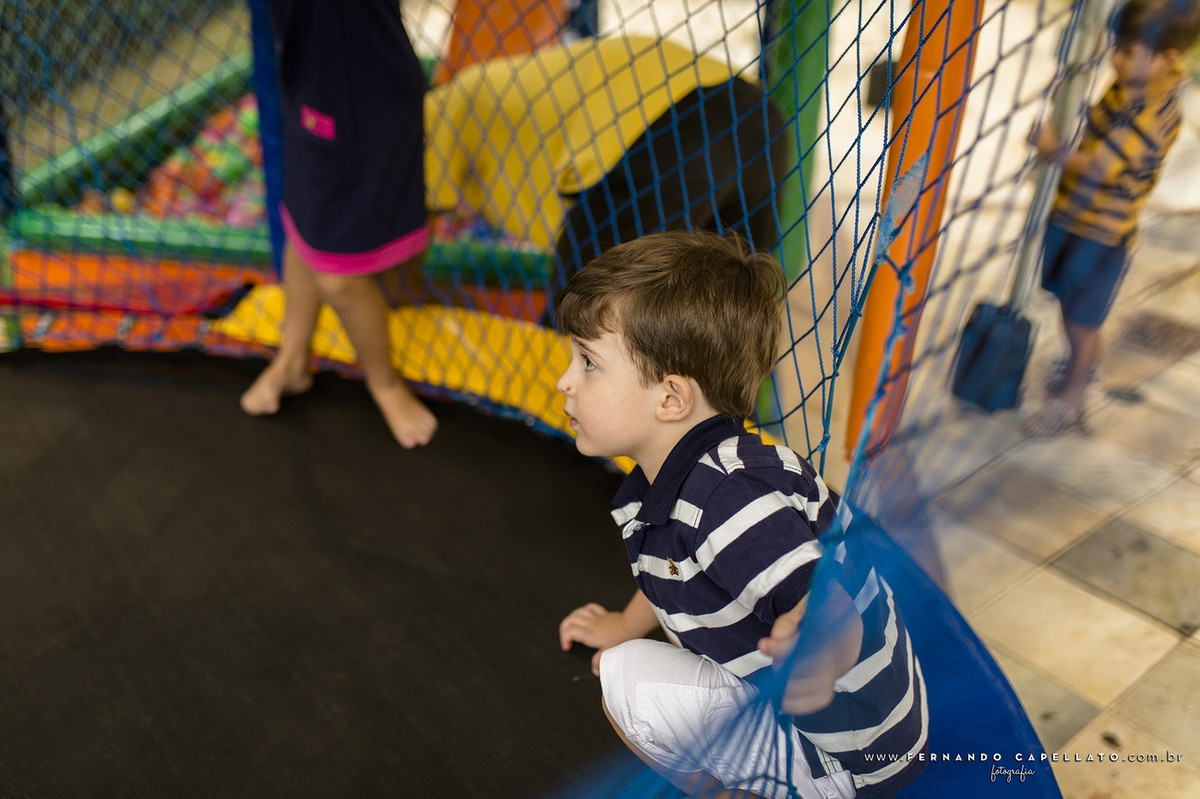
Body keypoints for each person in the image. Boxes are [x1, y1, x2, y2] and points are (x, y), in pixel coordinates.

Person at [554, 231, 928, 798]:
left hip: (847, 755)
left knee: (623, 679)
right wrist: (623, 622)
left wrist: (820, 656)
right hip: (868, 730)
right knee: (622, 650)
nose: (565, 380)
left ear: (671, 398)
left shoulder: (730, 499)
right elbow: (670, 569)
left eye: (588, 363)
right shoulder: (694, 471)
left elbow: (821, 600)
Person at [425, 35, 787, 321]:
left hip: (661, 125)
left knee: (584, 324)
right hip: (757, 114)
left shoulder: (432, 117)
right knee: (731, 314)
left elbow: (397, 243)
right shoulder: (490, 86)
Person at [240, 0, 438, 448]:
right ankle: (292, 359)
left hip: (362, 104)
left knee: (339, 277)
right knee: (302, 225)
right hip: (312, 85)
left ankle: (384, 383)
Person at [1025, 0, 1200, 436]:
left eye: (1128, 51)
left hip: (1101, 235)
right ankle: (1082, 364)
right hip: (1078, 218)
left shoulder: (1150, 112)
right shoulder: (1136, 84)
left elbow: (1101, 167)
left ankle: (1071, 398)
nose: (1116, 58)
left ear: (1168, 60)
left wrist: (1053, 151)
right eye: (1116, 46)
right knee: (1070, 310)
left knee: (1082, 320)